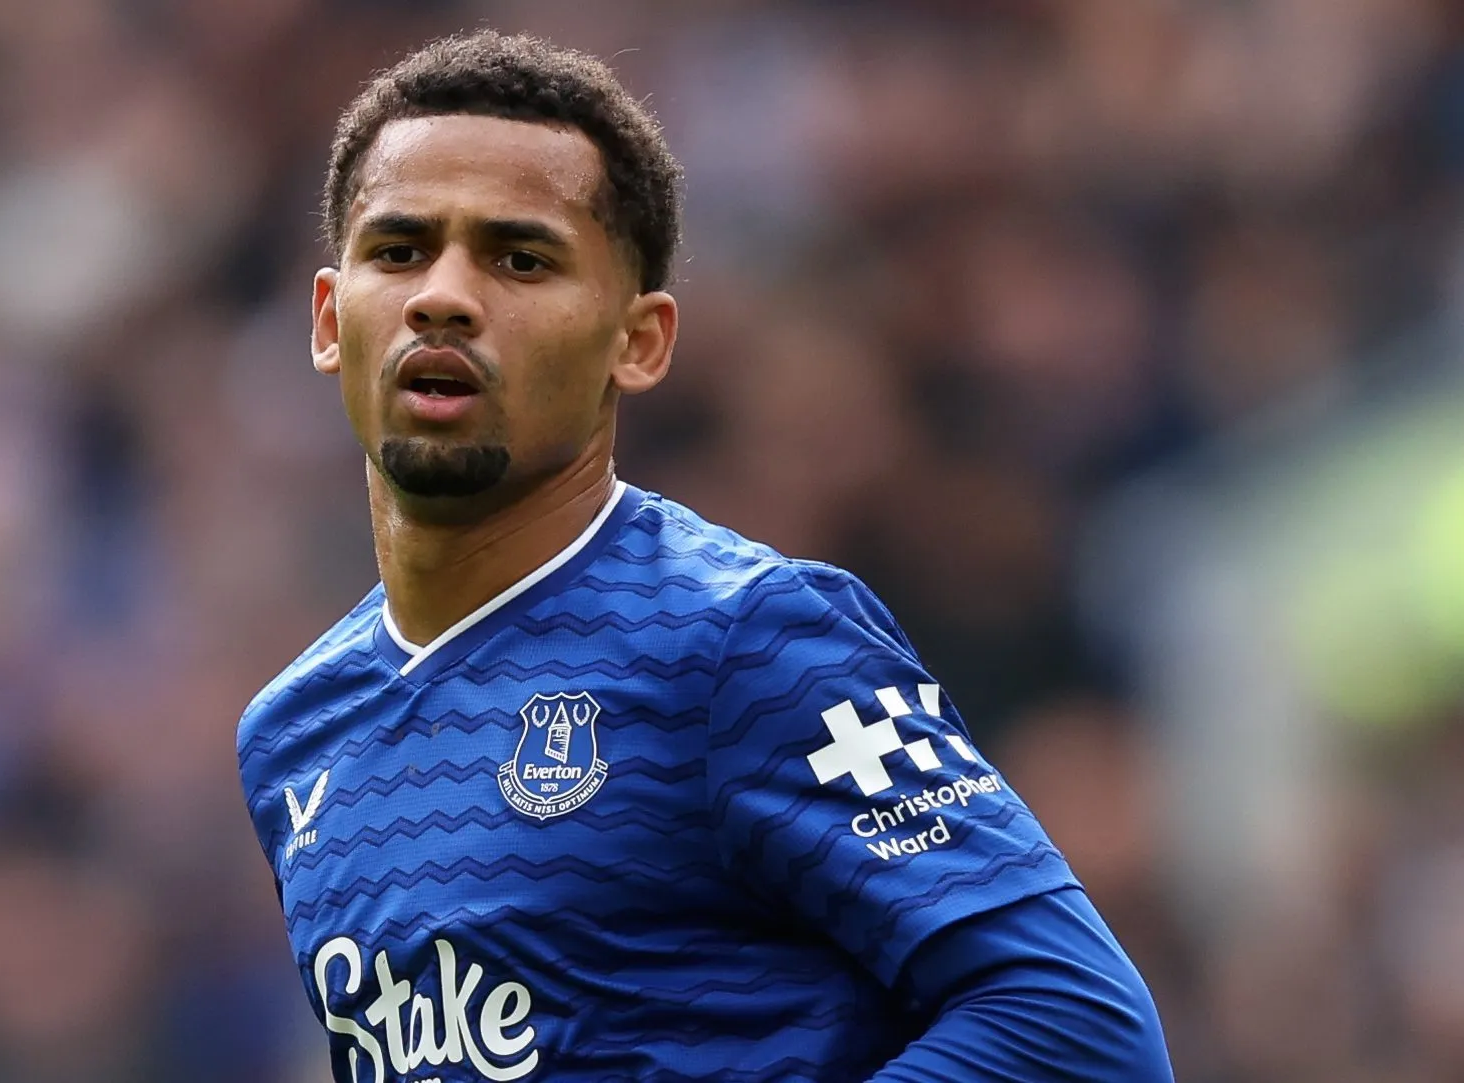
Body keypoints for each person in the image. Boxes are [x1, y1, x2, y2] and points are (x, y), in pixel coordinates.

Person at [236, 30, 1174, 1082]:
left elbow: (1074, 1023)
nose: (442, 295)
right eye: (399, 250)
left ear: (637, 341)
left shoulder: (743, 641)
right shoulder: (296, 735)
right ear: (329, 319)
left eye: (520, 258)